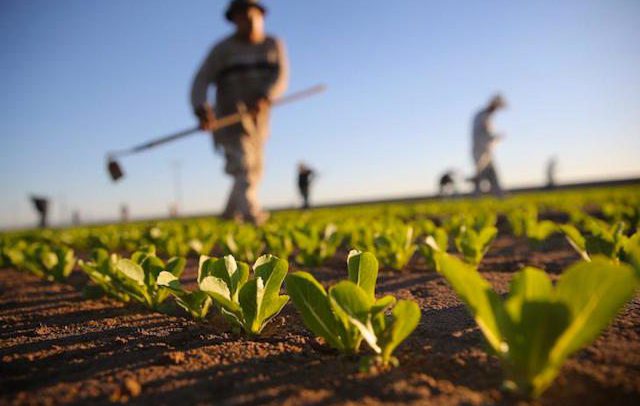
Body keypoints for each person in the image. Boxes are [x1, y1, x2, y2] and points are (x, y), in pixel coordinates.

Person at [191, 0, 288, 225]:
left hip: (259, 122)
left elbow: (280, 76)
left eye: (252, 15)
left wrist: (267, 96)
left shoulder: (273, 45)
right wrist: (201, 108)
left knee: (254, 169)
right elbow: (201, 81)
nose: (248, 21)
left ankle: (228, 215)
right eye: (242, 17)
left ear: (261, 16)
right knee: (243, 166)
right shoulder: (222, 50)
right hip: (229, 119)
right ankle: (252, 215)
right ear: (234, 20)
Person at [470, 94, 506, 196]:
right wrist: (496, 137)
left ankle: (499, 195)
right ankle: (476, 198)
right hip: (480, 151)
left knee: (492, 174)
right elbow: (483, 134)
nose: (497, 110)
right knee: (481, 175)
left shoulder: (485, 116)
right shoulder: (483, 116)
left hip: (485, 151)